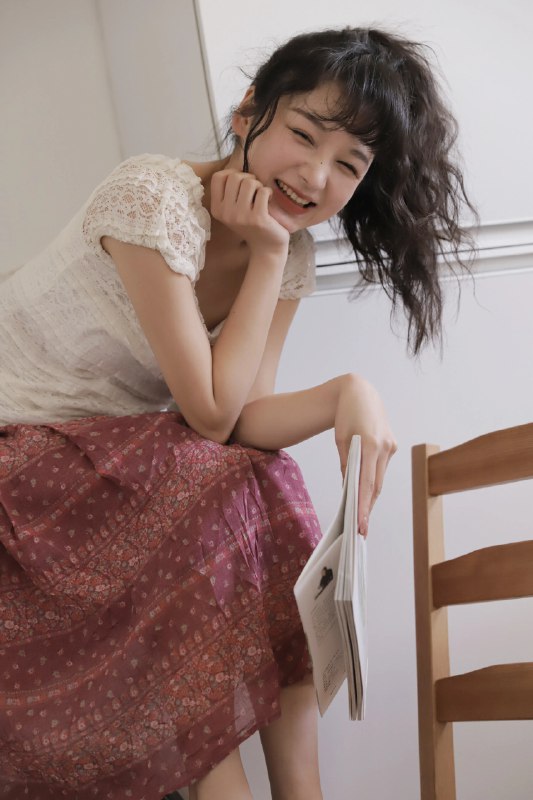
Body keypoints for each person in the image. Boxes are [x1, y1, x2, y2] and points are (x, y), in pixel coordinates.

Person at [0, 25, 475, 800]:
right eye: (303, 134)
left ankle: (298, 787)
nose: (315, 176)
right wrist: (265, 253)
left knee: (266, 477)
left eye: (349, 164)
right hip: (19, 459)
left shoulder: (289, 253)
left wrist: (348, 393)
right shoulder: (151, 197)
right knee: (205, 475)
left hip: (100, 464)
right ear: (247, 111)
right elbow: (211, 415)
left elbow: (245, 420)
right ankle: (228, 789)